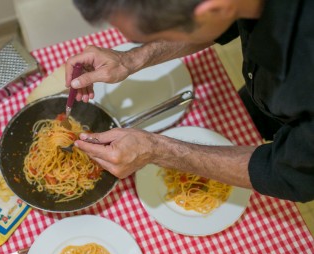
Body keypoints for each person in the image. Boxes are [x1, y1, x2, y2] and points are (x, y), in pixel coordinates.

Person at [64, 0, 314, 202]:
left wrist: (156, 150)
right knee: (249, 117)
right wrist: (131, 59)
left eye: (155, 34)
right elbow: (224, 21)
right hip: (267, 91)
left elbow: (290, 172)